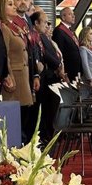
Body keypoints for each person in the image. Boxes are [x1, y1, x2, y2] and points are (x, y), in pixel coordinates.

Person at [0, 0, 36, 142]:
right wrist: (9, 75)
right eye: (10, 4)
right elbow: (5, 54)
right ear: (1, 9)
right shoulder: (4, 28)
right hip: (15, 77)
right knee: (17, 118)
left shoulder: (16, 26)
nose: (15, 7)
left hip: (23, 75)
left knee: (25, 114)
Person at [32, 10, 63, 143]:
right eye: (45, 22)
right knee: (41, 111)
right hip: (43, 77)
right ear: (36, 23)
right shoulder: (37, 37)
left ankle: (46, 135)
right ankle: (42, 137)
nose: (47, 25)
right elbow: (44, 56)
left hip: (47, 76)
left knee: (46, 110)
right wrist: (57, 65)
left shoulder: (42, 37)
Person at [53, 7, 82, 82]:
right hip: (68, 72)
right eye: (70, 14)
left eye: (73, 14)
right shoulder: (59, 31)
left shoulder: (71, 30)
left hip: (75, 71)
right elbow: (59, 53)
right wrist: (63, 72)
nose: (73, 16)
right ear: (63, 17)